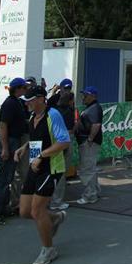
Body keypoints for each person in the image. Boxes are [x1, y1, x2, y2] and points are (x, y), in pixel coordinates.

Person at [14, 86, 71, 264]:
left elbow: (64, 141)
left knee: (37, 211)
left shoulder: (53, 115)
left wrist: (41, 156)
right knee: (24, 211)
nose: (27, 104)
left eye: (30, 100)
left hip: (50, 168)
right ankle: (54, 218)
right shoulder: (33, 116)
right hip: (35, 166)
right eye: (26, 101)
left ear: (40, 99)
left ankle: (48, 249)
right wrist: (24, 148)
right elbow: (36, 138)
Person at [0, 77, 29, 226]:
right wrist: (4, 147)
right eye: (24, 87)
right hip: (9, 141)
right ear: (18, 88)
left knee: (8, 178)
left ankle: (2, 208)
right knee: (3, 179)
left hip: (15, 140)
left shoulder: (17, 102)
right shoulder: (9, 104)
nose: (26, 90)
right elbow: (3, 126)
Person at [48, 78, 75, 212]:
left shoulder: (60, 110)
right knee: (60, 171)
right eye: (65, 88)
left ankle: (53, 199)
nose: (67, 91)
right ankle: (56, 201)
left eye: (69, 89)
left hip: (57, 141)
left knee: (56, 171)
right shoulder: (59, 109)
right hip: (61, 141)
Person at [72, 86, 103, 205]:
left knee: (87, 169)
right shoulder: (91, 107)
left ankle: (90, 196)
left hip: (89, 143)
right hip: (86, 141)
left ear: (93, 96)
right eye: (83, 95)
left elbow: (96, 125)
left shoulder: (94, 108)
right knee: (90, 169)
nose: (83, 97)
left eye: (86, 95)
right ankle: (94, 191)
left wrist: (90, 139)